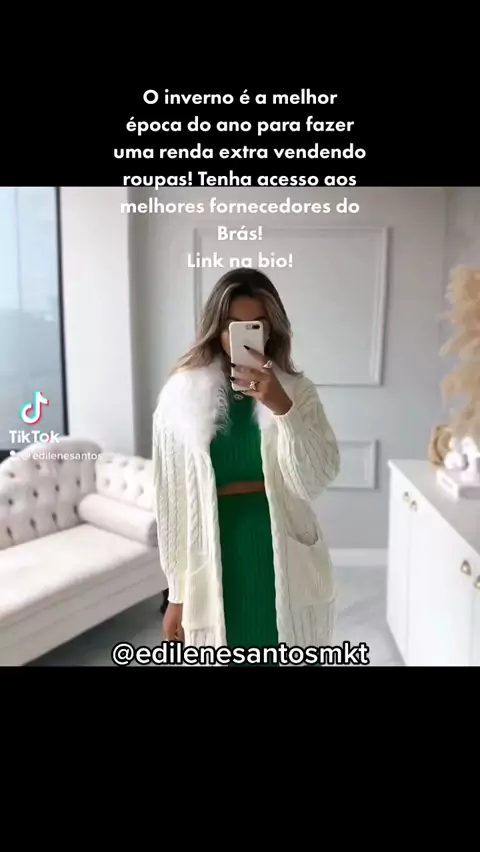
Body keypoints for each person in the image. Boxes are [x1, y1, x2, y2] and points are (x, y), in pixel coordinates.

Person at [152, 268, 340, 666]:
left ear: (271, 329)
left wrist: (282, 408)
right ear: (216, 329)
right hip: (215, 550)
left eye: (256, 324)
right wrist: (176, 595)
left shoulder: (297, 391)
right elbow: (172, 502)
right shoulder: (180, 397)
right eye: (233, 326)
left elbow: (314, 480)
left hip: (282, 548)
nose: (243, 335)